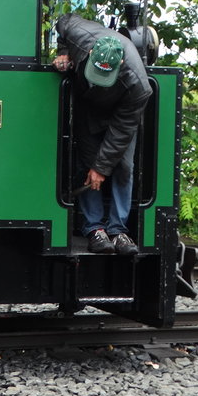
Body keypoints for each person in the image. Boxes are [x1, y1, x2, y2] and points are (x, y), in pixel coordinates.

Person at [52, 13, 152, 256]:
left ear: (119, 67)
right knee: (86, 164)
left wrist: (102, 168)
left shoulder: (138, 87)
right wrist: (64, 51)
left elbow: (120, 133)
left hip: (120, 114)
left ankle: (118, 230)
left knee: (123, 167)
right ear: (89, 53)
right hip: (88, 107)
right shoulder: (79, 35)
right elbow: (63, 21)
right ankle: (94, 228)